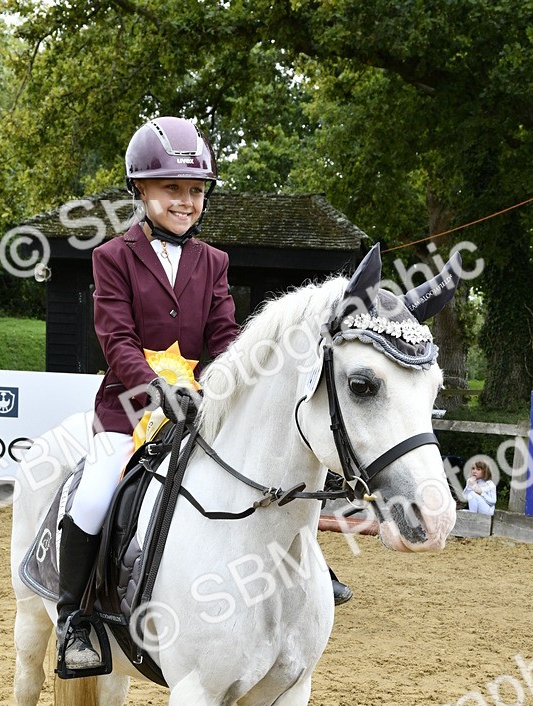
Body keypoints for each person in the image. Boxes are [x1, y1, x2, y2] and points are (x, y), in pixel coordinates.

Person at [56, 115, 351, 674]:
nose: (185, 201)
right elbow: (116, 339)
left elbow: (224, 340)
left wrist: (235, 380)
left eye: (195, 190)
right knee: (94, 494)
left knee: (265, 471)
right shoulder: (112, 257)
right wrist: (154, 387)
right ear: (140, 190)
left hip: (198, 404)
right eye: (172, 188)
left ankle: (306, 565)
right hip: (130, 406)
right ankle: (76, 618)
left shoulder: (213, 262)